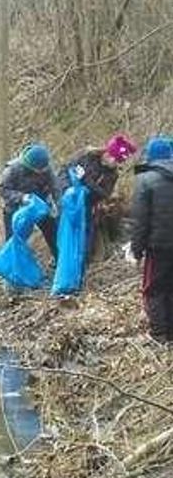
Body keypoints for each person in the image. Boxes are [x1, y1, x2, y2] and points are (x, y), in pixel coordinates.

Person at [58, 133, 137, 258]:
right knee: (64, 234)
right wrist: (66, 190)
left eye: (117, 161)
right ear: (106, 152)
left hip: (88, 207)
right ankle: (60, 258)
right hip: (68, 201)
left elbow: (104, 193)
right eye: (112, 157)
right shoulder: (86, 156)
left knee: (85, 236)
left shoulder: (112, 175)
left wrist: (86, 181)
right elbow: (65, 171)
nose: (113, 162)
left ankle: (82, 260)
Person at [128, 136, 173, 342]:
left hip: (158, 246)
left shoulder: (145, 180)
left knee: (154, 289)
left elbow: (140, 221)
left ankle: (159, 335)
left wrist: (136, 250)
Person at [0, 142, 59, 259]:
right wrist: (22, 197)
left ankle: (59, 261)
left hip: (40, 205)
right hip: (15, 208)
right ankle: (14, 268)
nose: (42, 172)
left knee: (53, 233)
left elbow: (55, 187)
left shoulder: (46, 167)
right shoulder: (12, 169)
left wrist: (59, 204)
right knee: (13, 239)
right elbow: (3, 189)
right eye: (39, 171)